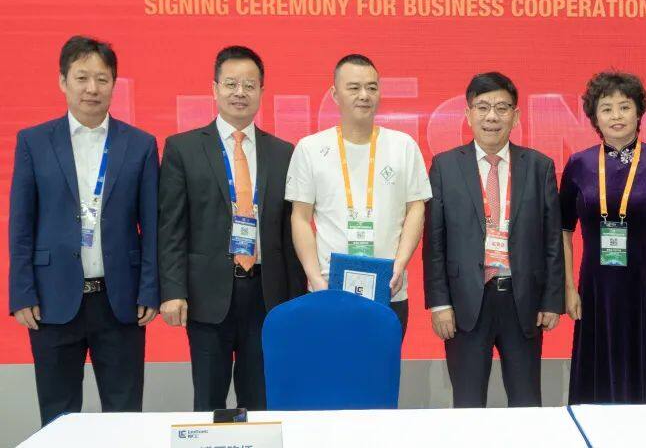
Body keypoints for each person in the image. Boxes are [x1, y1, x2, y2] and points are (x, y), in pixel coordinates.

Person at [9, 36, 159, 425]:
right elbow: (21, 223)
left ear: (113, 84)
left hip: (120, 301)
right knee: (58, 415)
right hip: (52, 299)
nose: (92, 88)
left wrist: (149, 290)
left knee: (124, 414)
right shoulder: (33, 141)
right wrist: (22, 292)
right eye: (82, 78)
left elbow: (152, 226)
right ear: (63, 81)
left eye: (102, 79)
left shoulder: (140, 144)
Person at [158, 45, 304, 411]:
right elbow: (171, 228)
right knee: (209, 401)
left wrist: (296, 299)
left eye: (250, 85)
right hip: (207, 296)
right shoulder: (183, 149)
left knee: (261, 400)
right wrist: (173, 291)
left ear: (261, 91)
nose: (240, 92)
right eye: (231, 84)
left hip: (267, 295)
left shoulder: (283, 153)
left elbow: (290, 235)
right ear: (214, 89)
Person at [423, 72, 563, 407]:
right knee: (468, 403)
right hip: (466, 303)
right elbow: (434, 242)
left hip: (522, 301)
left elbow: (552, 241)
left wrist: (551, 300)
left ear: (515, 116)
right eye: (483, 107)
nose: (492, 116)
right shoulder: (444, 166)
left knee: (526, 401)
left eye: (502, 108)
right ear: (468, 114)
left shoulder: (540, 166)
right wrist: (440, 304)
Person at [560, 71, 646, 404]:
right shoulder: (579, 164)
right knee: (598, 376)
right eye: (606, 108)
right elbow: (563, 230)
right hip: (596, 287)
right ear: (594, 117)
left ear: (639, 112)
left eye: (624, 107)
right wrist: (569, 288)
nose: (616, 116)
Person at [287, 54, 429, 332]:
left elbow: (416, 207)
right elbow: (300, 217)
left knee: (383, 361)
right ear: (335, 94)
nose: (364, 95)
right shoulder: (310, 148)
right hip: (328, 289)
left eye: (371, 87)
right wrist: (315, 278)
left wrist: (400, 264)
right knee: (331, 360)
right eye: (354, 87)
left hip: (389, 288)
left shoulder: (403, 146)